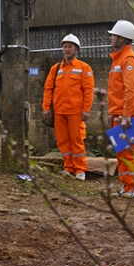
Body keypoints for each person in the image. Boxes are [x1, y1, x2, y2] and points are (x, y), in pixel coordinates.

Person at [42, 34, 95, 181]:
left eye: (70, 46)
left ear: (76, 49)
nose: (67, 49)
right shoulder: (55, 68)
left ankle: (80, 170)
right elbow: (48, 89)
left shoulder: (84, 68)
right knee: (63, 141)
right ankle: (68, 167)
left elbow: (88, 90)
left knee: (77, 141)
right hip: (59, 112)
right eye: (65, 46)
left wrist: (86, 110)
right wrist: (46, 107)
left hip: (75, 112)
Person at [107, 20, 134, 199]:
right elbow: (116, 91)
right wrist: (112, 113)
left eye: (113, 36)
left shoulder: (129, 60)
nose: (110, 38)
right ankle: (127, 186)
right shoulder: (118, 59)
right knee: (122, 153)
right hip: (119, 115)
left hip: (128, 117)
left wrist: (126, 115)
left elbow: (131, 91)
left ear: (122, 38)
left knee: (132, 152)